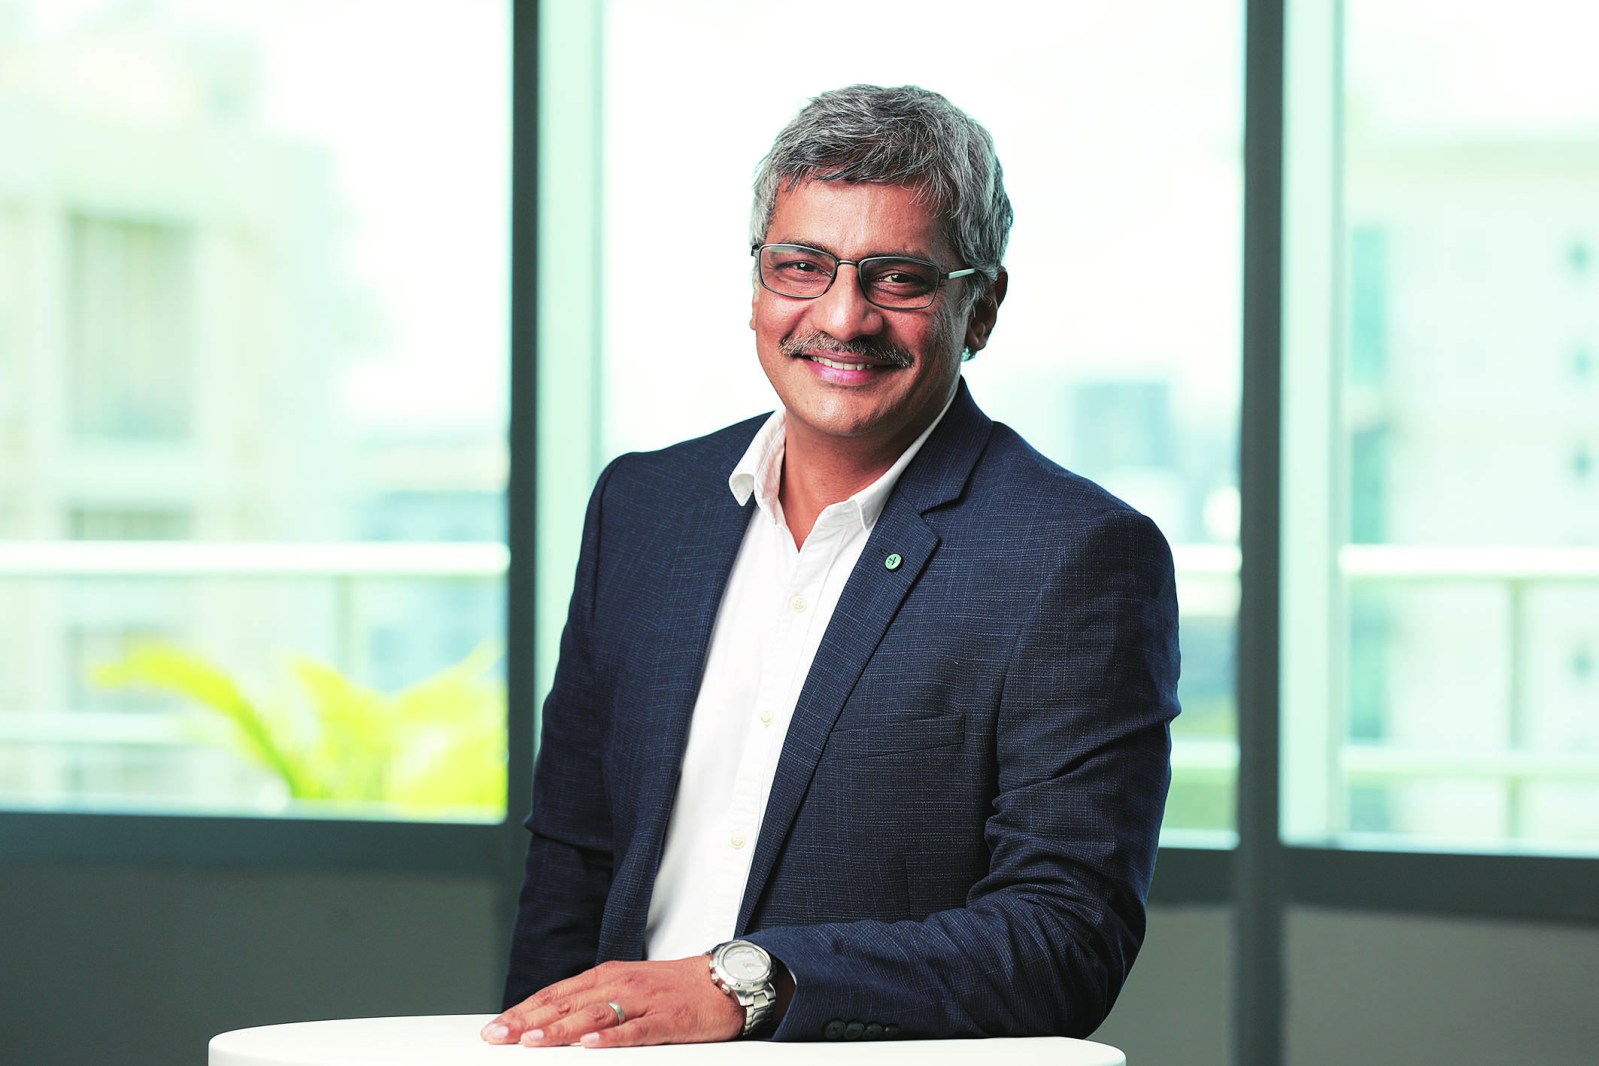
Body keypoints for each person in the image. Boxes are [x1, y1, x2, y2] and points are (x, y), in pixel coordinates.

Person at [482, 84, 1180, 1049]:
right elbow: (574, 860)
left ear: (979, 307)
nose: (843, 318)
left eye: (898, 278)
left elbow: (1065, 936)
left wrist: (745, 985)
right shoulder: (643, 511)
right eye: (802, 266)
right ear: (757, 284)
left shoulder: (1075, 556)